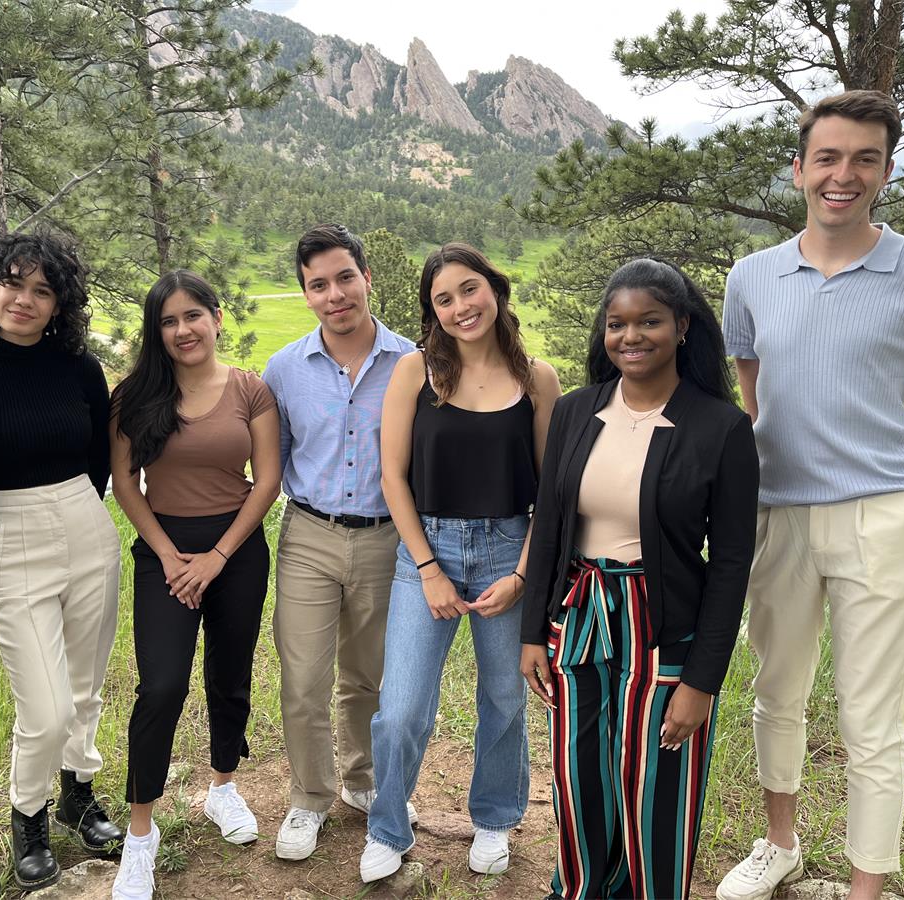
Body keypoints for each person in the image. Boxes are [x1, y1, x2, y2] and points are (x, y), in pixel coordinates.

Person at [716, 90, 904, 900]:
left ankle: (865, 886)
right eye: (828, 158)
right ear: (799, 169)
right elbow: (756, 401)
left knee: (873, 718)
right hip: (778, 515)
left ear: (886, 169)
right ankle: (779, 843)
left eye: (865, 159)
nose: (843, 176)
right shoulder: (750, 278)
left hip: (881, 515)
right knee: (776, 691)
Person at [520, 258, 759, 899]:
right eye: (618, 323)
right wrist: (530, 635)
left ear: (682, 326)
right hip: (578, 613)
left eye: (649, 321)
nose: (631, 336)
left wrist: (702, 682)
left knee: (658, 779)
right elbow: (548, 528)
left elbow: (733, 562)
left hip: (664, 623)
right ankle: (583, 887)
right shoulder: (576, 412)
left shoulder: (721, 429)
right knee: (580, 772)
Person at [0, 231, 124, 891]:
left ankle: (78, 796)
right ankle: (29, 817)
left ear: (59, 305)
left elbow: (100, 457)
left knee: (85, 687)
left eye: (43, 290)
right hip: (9, 530)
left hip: (86, 525)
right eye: (13, 283)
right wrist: (0, 535)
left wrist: (76, 515)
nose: (25, 299)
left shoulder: (80, 369)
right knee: (42, 707)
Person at [359, 243, 560, 883]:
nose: (459, 307)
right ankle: (388, 826)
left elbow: (552, 491)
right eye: (443, 299)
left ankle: (495, 820)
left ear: (494, 290)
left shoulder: (538, 379)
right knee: (404, 705)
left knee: (504, 696)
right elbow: (393, 477)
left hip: (509, 547)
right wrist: (428, 567)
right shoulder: (415, 373)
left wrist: (525, 573)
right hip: (429, 549)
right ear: (431, 311)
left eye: (468, 290)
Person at [109, 270, 281, 900]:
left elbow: (266, 481)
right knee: (160, 685)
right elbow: (126, 483)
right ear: (157, 332)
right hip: (164, 550)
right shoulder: (135, 395)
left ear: (216, 316)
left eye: (193, 316)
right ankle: (140, 835)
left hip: (235, 547)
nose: (183, 330)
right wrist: (171, 555)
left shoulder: (250, 390)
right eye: (168, 321)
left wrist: (215, 556)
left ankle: (223, 785)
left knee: (230, 674)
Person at [262, 223, 416, 861]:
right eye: (317, 285)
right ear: (306, 294)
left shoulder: (413, 363)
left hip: (387, 540)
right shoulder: (283, 370)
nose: (335, 295)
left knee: (369, 678)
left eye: (344, 278)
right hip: (309, 535)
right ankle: (308, 797)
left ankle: (365, 781)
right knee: (302, 679)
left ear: (367, 277)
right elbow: (276, 462)